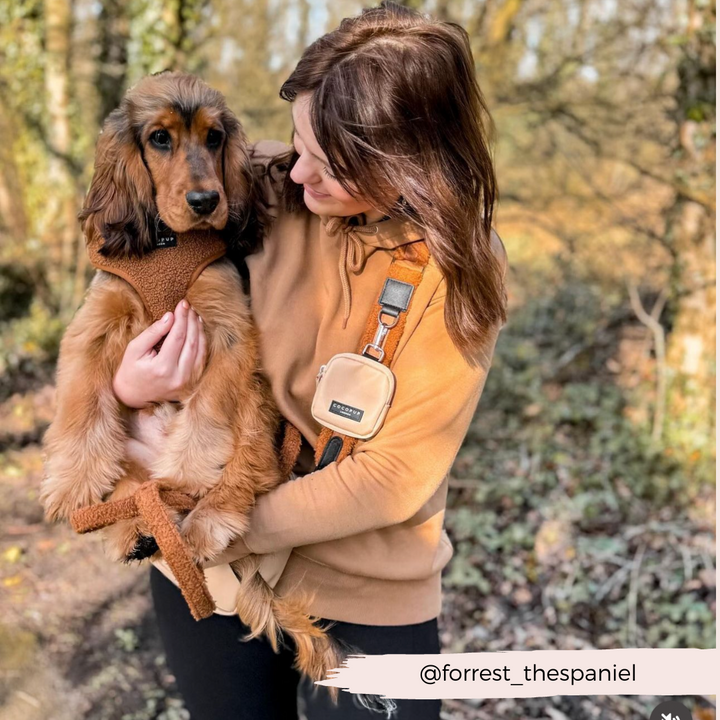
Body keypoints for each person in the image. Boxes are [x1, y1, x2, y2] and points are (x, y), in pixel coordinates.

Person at [113, 2, 509, 718]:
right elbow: (119, 298)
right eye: (297, 142)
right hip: (207, 576)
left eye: (331, 166)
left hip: (363, 590)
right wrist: (126, 385)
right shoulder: (253, 182)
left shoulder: (460, 273)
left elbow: (390, 478)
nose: (296, 175)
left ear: (408, 167)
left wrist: (219, 519)